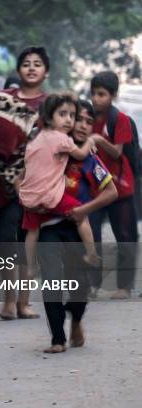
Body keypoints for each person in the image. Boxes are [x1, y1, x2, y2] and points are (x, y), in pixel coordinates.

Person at [38, 99, 117, 353]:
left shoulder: (89, 160)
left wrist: (84, 210)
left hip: (77, 226)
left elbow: (111, 192)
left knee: (78, 283)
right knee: (51, 279)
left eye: (88, 121)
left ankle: (77, 318)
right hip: (48, 225)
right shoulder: (51, 148)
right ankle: (57, 339)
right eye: (77, 118)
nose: (82, 125)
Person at [0, 46, 49, 321]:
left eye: (37, 64)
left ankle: (24, 303)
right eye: (26, 63)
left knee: (30, 245)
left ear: (46, 71)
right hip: (4, 185)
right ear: (18, 70)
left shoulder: (51, 105)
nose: (31, 68)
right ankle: (8, 300)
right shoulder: (3, 99)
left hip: (38, 187)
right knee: (5, 243)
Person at [19, 93, 100, 278]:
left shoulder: (36, 138)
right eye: (63, 114)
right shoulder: (61, 139)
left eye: (72, 115)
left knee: (32, 231)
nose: (69, 120)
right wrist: (91, 141)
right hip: (50, 196)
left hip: (29, 197)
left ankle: (31, 267)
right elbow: (80, 154)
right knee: (81, 215)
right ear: (48, 117)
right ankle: (92, 253)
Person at [88, 71, 139, 299]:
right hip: (94, 190)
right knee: (90, 238)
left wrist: (99, 140)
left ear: (113, 95)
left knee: (126, 237)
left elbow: (117, 151)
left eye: (102, 94)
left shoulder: (120, 120)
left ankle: (124, 286)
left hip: (120, 189)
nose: (96, 99)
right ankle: (92, 284)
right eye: (94, 93)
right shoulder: (85, 119)